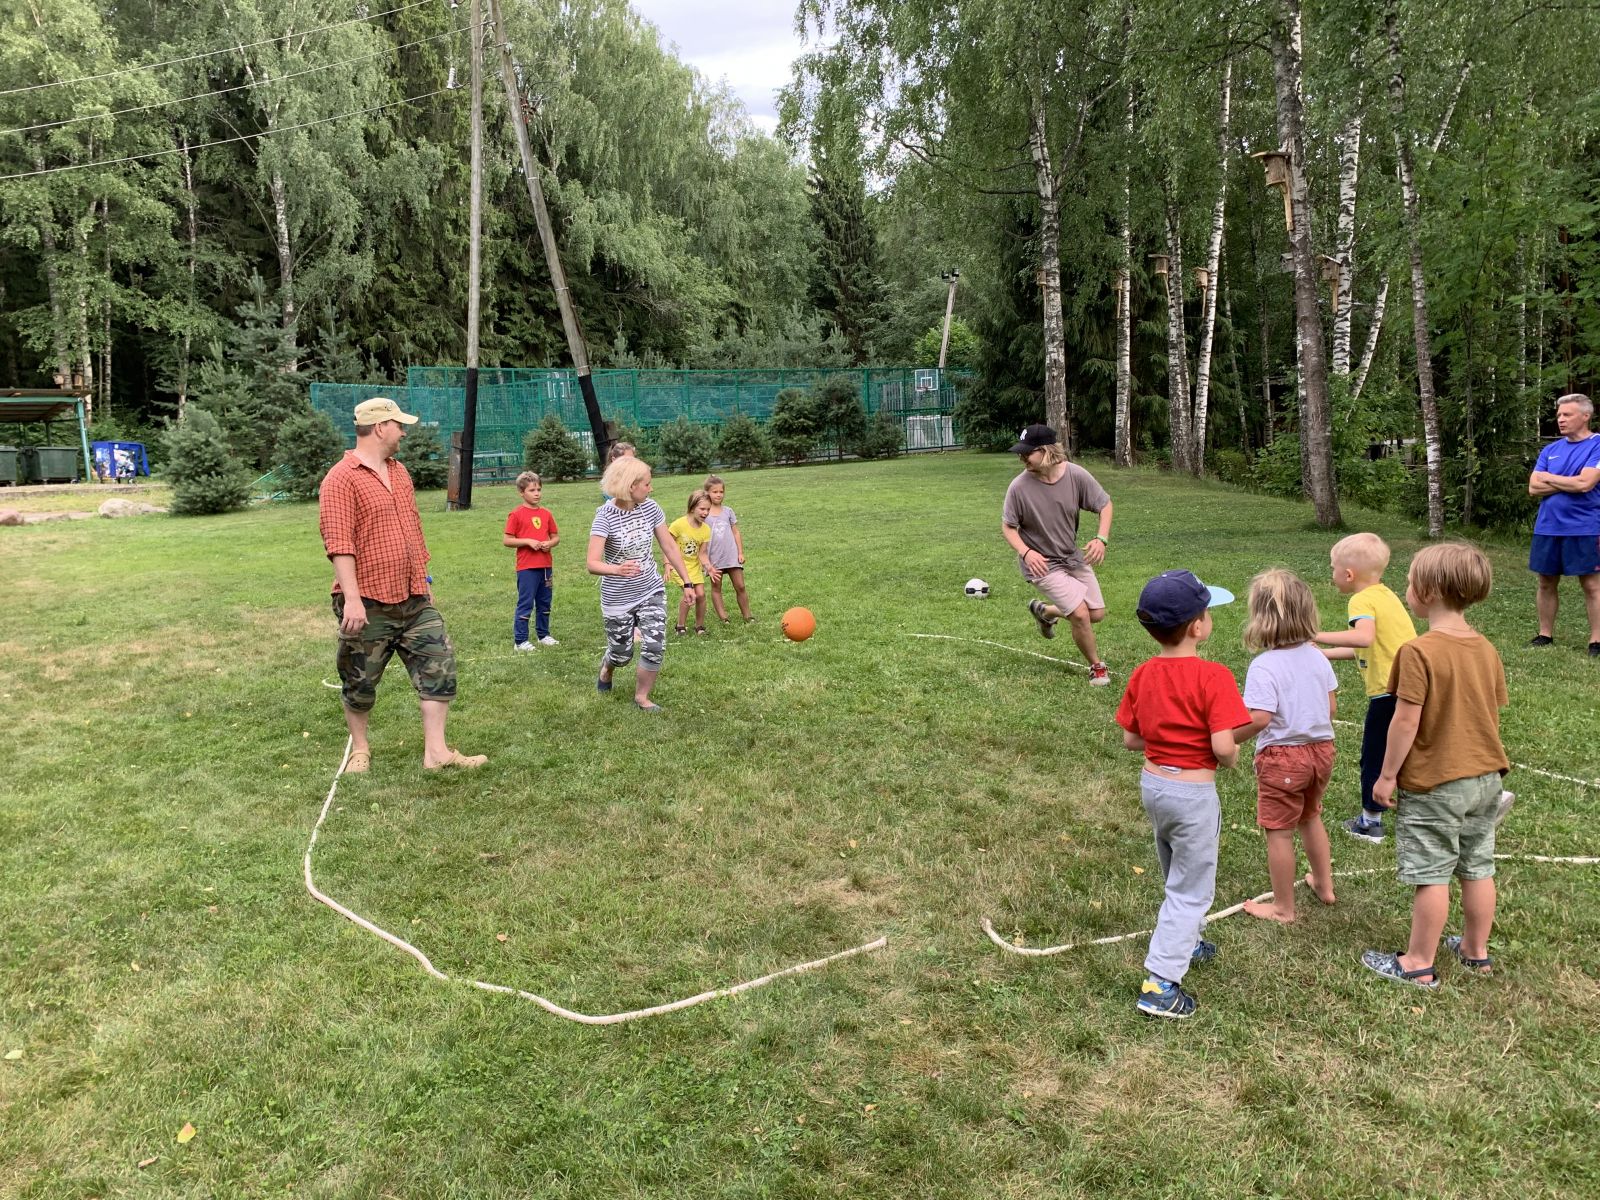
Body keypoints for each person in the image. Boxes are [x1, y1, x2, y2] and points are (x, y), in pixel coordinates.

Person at [1361, 542, 1510, 988]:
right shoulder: (1485, 648)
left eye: (1409, 581)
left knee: (1432, 872)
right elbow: (1490, 711)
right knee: (1478, 865)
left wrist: (1387, 776)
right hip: (1486, 777)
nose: (1406, 588)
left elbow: (1405, 721)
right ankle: (1475, 951)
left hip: (1436, 783)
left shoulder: (1417, 651)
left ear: (1427, 591)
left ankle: (1417, 963)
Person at [317, 397, 485, 773]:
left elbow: (412, 529)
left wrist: (423, 577)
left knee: (439, 665)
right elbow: (339, 544)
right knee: (360, 680)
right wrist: (352, 600)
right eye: (399, 425)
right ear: (380, 428)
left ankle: (436, 753)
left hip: (413, 595)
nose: (404, 432)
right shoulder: (340, 478)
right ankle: (360, 750)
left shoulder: (400, 472)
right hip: (367, 600)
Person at [1115, 569, 1249, 1019]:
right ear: (1197, 626)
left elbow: (1132, 739)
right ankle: (1160, 984)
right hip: (1193, 795)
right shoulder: (1214, 676)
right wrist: (1231, 757)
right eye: (1207, 611)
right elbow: (1223, 748)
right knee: (1190, 890)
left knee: (1176, 867)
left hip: (1154, 787)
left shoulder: (1143, 673)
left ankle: (1186, 941)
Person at [1233, 569, 1340, 924]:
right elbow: (1331, 707)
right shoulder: (1318, 657)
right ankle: (1324, 885)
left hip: (1283, 759)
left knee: (1278, 831)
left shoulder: (1264, 666)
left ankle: (1283, 908)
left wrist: (1228, 738)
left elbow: (1260, 718)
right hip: (1322, 752)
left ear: (1260, 618)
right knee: (1310, 816)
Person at [1313, 532, 1417, 844]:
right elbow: (1367, 646)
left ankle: (1370, 823)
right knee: (1410, 750)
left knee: (1375, 753)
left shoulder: (1360, 600)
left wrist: (1315, 634)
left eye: (1332, 568)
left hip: (1388, 691)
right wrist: (1323, 654)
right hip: (1412, 687)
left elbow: (1363, 638)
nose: (1331, 574)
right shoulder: (1386, 595)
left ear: (1348, 574)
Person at [1001, 424, 1115, 685]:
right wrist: (1026, 552)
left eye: (1027, 453)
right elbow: (1008, 527)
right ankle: (1096, 666)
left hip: (1070, 557)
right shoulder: (1018, 487)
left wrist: (1101, 539)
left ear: (1046, 451)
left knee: (1096, 613)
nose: (1022, 458)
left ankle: (1045, 612)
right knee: (1080, 614)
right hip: (1041, 564)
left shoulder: (1075, 475)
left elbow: (1105, 505)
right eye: (1020, 453)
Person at [587, 455, 693, 711]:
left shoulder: (651, 508)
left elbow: (669, 546)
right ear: (630, 485)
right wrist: (617, 569)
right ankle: (608, 666)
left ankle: (642, 697)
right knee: (622, 654)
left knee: (655, 644)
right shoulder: (605, 516)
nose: (651, 488)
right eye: (647, 483)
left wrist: (687, 582)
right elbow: (592, 563)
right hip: (618, 597)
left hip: (650, 589)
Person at [1526, 393, 1600, 655]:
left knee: (1591, 584)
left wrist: (1549, 477)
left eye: (1567, 414)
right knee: (1546, 581)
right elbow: (1533, 488)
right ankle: (1545, 634)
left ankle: (1596, 640)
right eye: (1559, 415)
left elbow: (1585, 484)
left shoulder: (1597, 445)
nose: (1561, 419)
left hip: (1585, 527)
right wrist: (1570, 481)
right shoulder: (1550, 450)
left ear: (1585, 416)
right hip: (1548, 526)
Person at [503, 471, 560, 649]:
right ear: (521, 492)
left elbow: (555, 537)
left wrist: (549, 543)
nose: (537, 493)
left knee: (544, 602)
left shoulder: (546, 513)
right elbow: (507, 540)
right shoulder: (516, 514)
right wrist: (527, 541)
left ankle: (543, 635)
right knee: (526, 603)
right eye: (532, 490)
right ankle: (520, 640)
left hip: (546, 567)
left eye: (539, 489)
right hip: (527, 568)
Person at [666, 488, 717, 635]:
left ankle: (699, 626)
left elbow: (702, 554)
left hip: (694, 567)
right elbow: (667, 546)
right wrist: (667, 564)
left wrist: (708, 567)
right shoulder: (678, 524)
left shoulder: (706, 529)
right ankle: (680, 626)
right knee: (690, 594)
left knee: (701, 595)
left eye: (708, 509)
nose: (705, 513)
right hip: (679, 566)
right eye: (702, 509)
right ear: (692, 507)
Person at [703, 474, 752, 623]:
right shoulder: (704, 513)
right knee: (716, 588)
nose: (718, 495)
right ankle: (724, 618)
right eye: (715, 492)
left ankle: (747, 616)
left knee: (740, 586)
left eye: (721, 492)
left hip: (731, 555)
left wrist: (740, 552)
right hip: (714, 558)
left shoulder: (728, 511)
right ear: (707, 493)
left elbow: (736, 532)